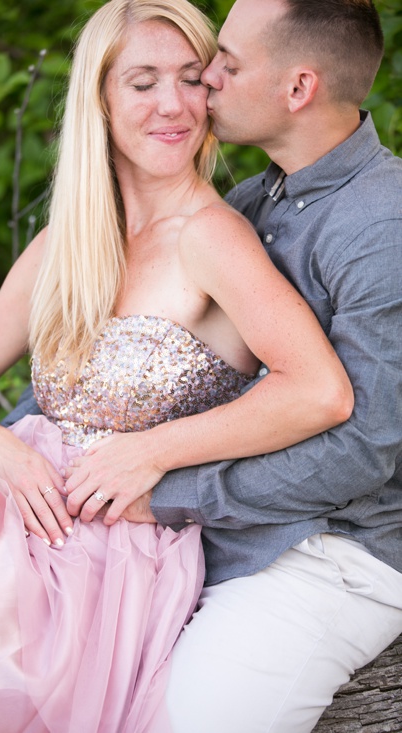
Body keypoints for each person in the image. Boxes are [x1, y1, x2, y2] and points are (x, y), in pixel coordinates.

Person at [0, 0, 355, 730]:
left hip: (107, 543)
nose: (173, 104)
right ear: (101, 99)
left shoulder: (213, 236)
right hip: (21, 485)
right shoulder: (67, 242)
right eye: (143, 82)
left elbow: (321, 391)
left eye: (189, 78)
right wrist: (4, 453)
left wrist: (150, 451)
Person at [124, 1, 401, 730]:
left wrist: (162, 491)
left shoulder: (384, 225)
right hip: (212, 532)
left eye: (230, 63)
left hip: (335, 555)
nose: (205, 79)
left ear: (299, 87)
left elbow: (364, 451)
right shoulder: (248, 204)